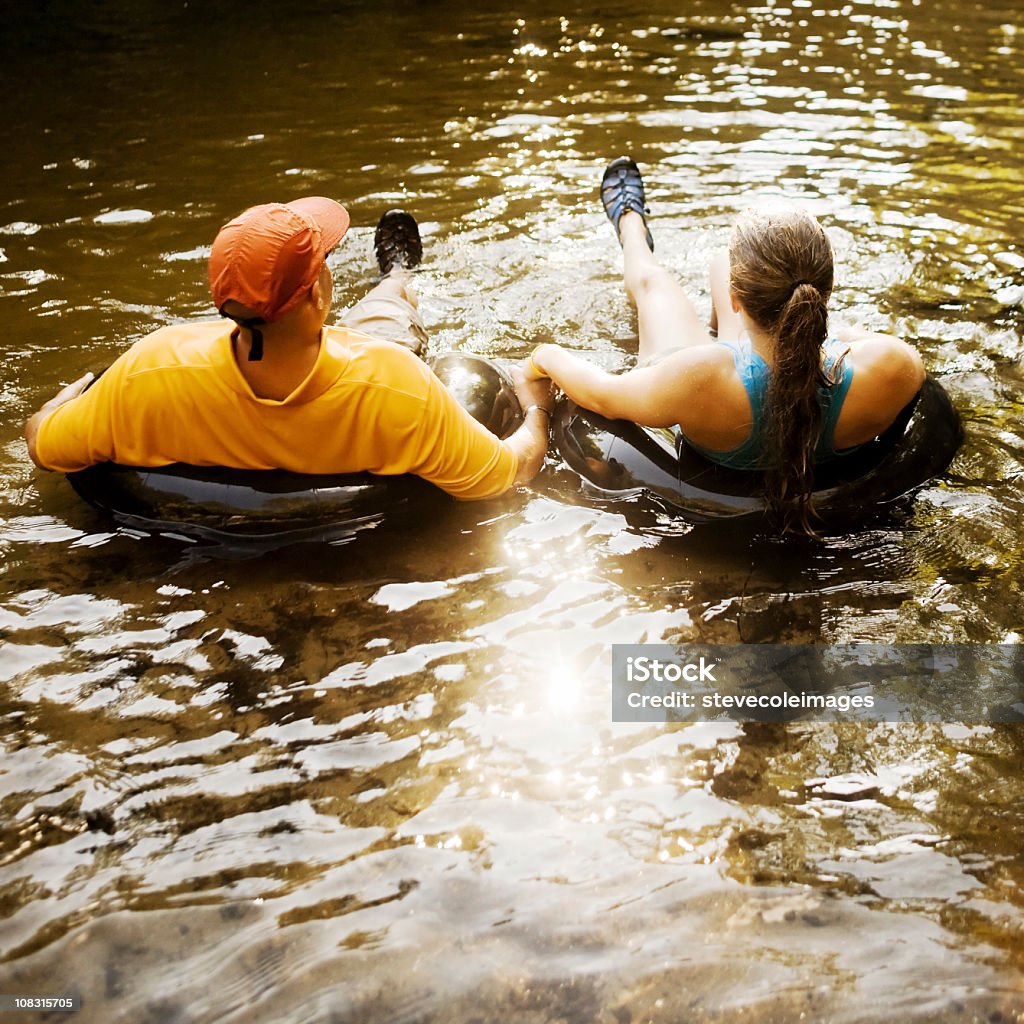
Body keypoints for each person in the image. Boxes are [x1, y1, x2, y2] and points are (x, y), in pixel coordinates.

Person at [25, 198, 554, 500]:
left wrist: (65, 402)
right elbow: (511, 469)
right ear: (320, 292)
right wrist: (536, 407)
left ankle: (393, 276)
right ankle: (397, 274)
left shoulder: (150, 369)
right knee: (389, 306)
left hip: (241, 358)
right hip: (359, 375)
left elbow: (42, 445)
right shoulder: (397, 387)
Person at [525, 157, 926, 533]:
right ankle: (755, 312)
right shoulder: (893, 367)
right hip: (756, 362)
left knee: (653, 285)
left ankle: (630, 222)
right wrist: (824, 334)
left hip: (723, 393)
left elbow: (604, 396)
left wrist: (546, 356)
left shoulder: (697, 376)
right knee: (723, 263)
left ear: (738, 302)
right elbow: (848, 342)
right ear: (828, 290)